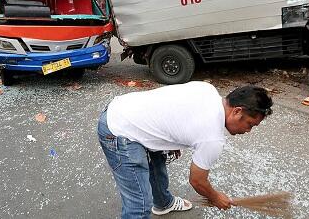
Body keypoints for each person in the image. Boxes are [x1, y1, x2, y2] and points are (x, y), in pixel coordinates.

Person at [97, 82, 273, 218]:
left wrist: (173, 142)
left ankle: (164, 204)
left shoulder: (208, 90)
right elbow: (197, 181)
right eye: (250, 124)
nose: (248, 130)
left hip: (125, 107)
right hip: (120, 130)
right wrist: (216, 197)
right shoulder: (212, 137)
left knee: (157, 165)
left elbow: (174, 106)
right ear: (237, 111)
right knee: (140, 205)